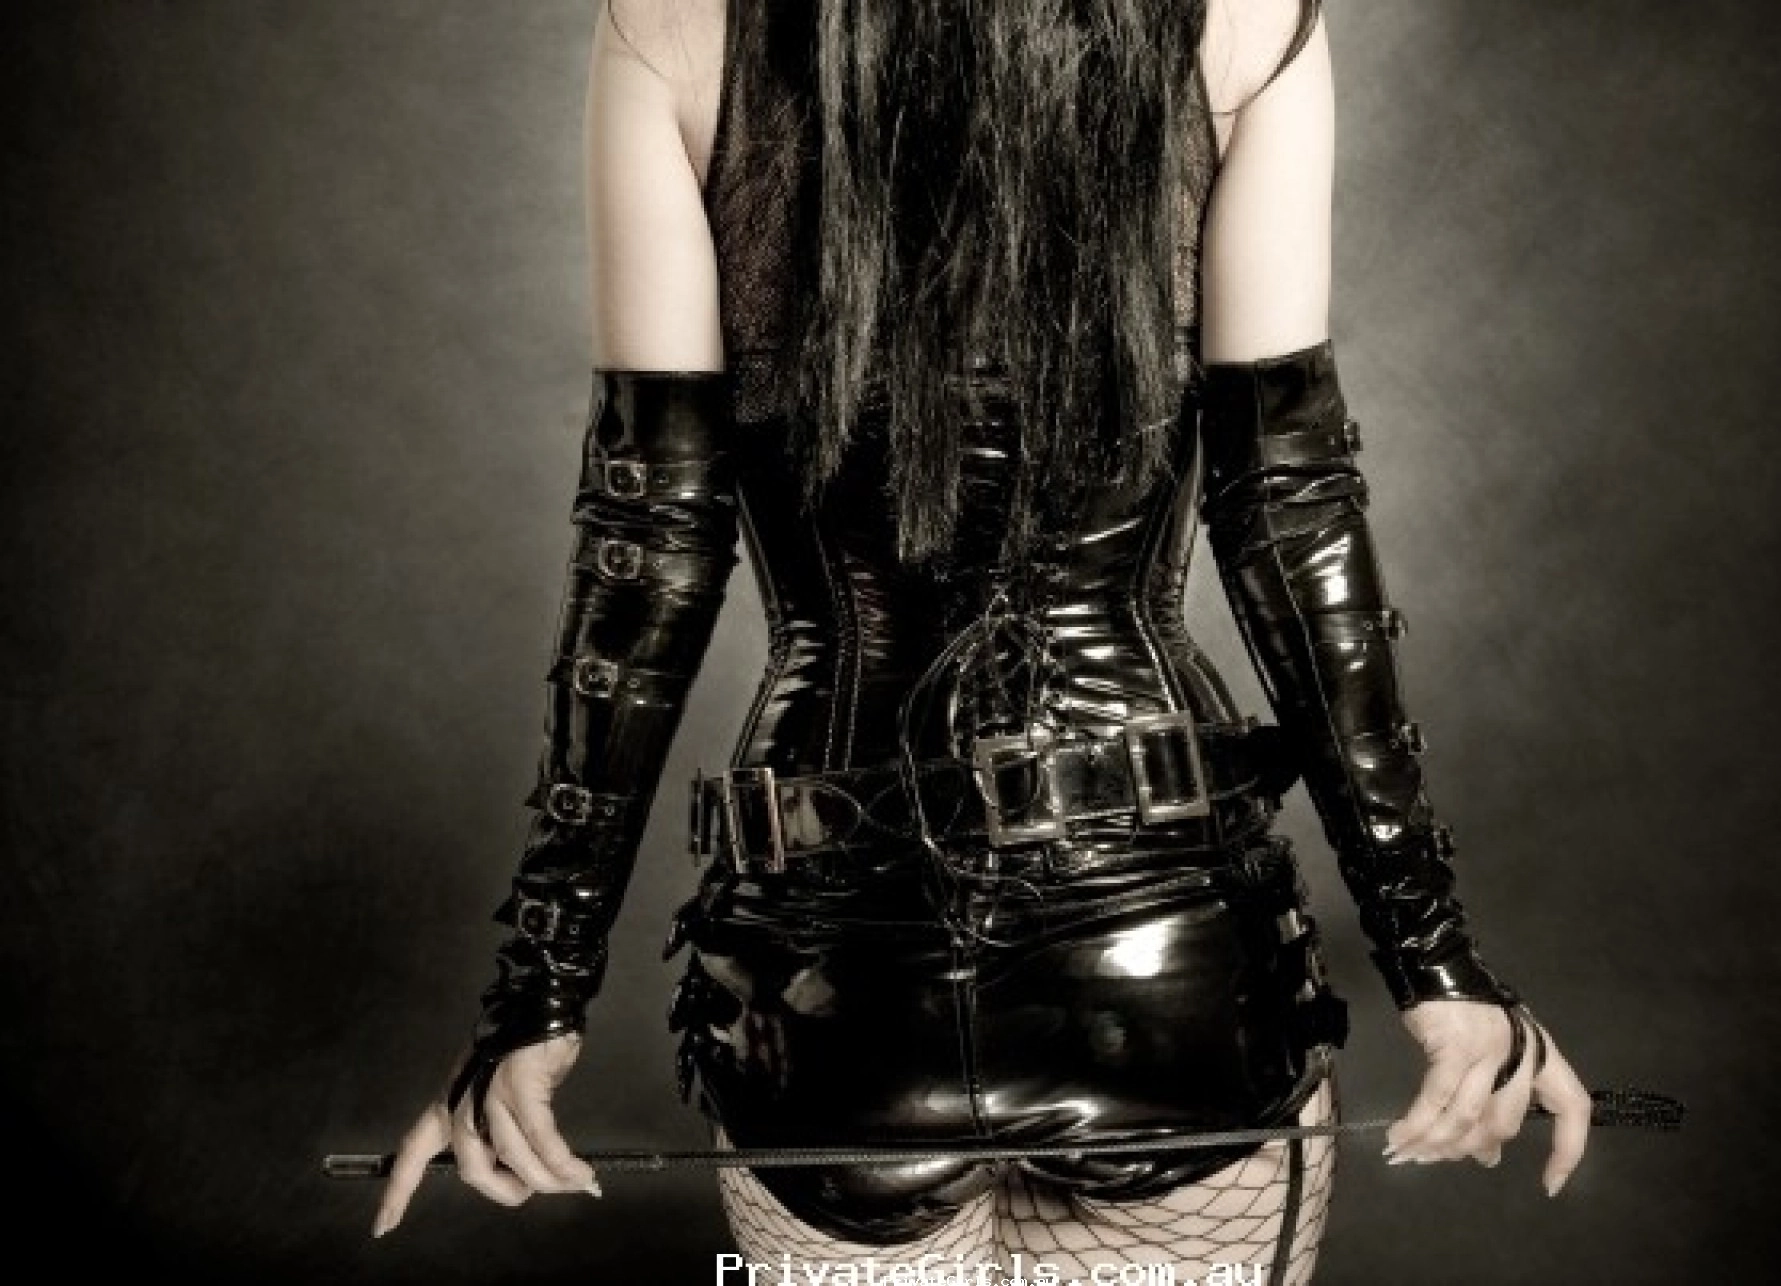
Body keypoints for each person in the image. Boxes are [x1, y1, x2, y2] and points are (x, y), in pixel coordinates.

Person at [372, 1, 1592, 1281]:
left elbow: (650, 550)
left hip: (830, 973)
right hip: (1158, 942)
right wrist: (1436, 962)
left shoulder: (669, 25)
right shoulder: (1248, 18)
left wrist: (538, 993)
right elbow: (1287, 513)